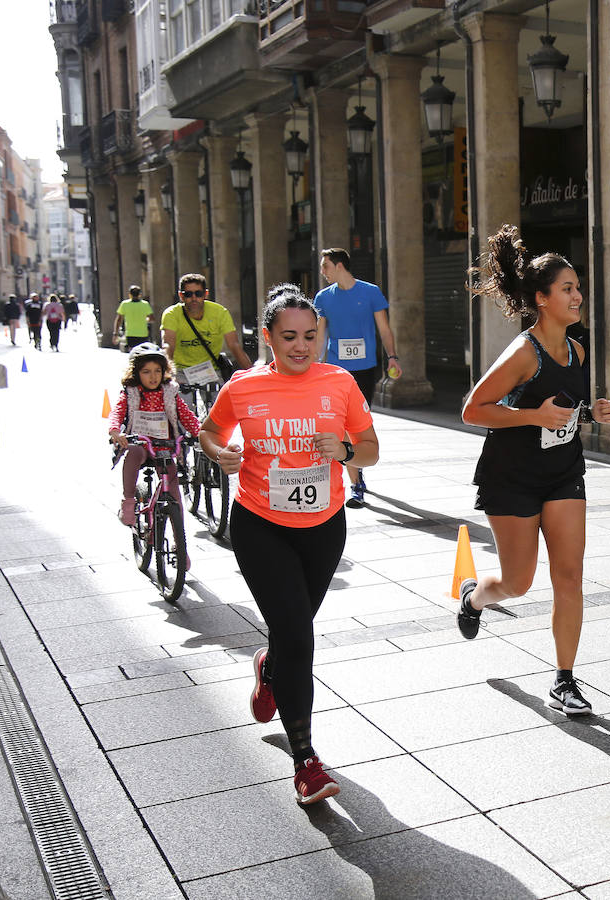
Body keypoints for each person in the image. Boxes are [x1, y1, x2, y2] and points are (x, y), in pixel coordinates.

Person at [199, 284, 379, 804]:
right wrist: (220, 453)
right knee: (298, 636)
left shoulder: (340, 382)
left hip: (324, 526)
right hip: (261, 525)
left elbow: (370, 450)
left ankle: (269, 668)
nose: (301, 346)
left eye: (310, 335)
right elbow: (209, 432)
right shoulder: (243, 386)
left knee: (293, 632)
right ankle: (306, 761)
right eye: (289, 337)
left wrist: (345, 448)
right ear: (269, 337)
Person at [456, 225, 610, 716]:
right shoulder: (524, 352)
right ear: (542, 299)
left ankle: (565, 680)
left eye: (578, 287)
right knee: (518, 582)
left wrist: (591, 413)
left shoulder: (578, 349)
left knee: (570, 577)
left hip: (563, 472)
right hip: (512, 476)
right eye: (567, 288)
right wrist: (533, 416)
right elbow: (472, 409)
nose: (577, 295)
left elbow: (566, 405)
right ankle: (473, 597)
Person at [314, 248, 401, 508]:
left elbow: (384, 329)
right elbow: (320, 336)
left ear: (339, 265)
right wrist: (315, 367)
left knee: (358, 426)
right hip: (335, 370)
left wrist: (393, 357)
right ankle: (356, 483)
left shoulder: (370, 292)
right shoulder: (322, 298)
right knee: (340, 424)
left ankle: (357, 472)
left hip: (365, 369)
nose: (322, 272)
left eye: (325, 266)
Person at [108, 342, 201, 527]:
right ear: (136, 373)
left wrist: (200, 433)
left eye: (157, 371)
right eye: (146, 372)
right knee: (133, 453)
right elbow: (117, 412)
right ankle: (128, 501)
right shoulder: (131, 392)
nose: (153, 377)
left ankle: (179, 542)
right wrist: (115, 431)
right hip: (141, 444)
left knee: (175, 495)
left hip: (165, 448)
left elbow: (186, 415)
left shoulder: (169, 393)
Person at [161, 274, 251, 395]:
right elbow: (168, 345)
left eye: (198, 294)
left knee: (218, 407)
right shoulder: (171, 314)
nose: (194, 298)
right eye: (188, 294)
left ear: (205, 294)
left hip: (209, 369)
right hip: (181, 369)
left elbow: (234, 345)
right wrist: (166, 373)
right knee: (182, 409)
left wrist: (252, 374)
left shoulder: (220, 313)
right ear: (181, 296)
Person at [114, 285, 153, 351]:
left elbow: (119, 320)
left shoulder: (124, 304)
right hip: (143, 333)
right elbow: (151, 319)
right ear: (140, 294)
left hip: (130, 334)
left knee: (132, 353)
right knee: (143, 352)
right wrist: (145, 320)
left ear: (130, 294)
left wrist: (115, 334)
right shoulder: (145, 304)